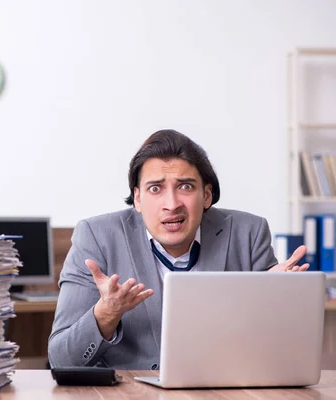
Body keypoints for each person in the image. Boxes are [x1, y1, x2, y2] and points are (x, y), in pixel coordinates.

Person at [47, 129, 309, 370]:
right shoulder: (97, 237)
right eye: (155, 188)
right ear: (137, 198)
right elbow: (60, 359)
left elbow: (275, 349)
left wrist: (280, 298)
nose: (171, 204)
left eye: (185, 186)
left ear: (207, 195)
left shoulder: (248, 233)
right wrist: (106, 314)